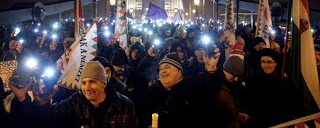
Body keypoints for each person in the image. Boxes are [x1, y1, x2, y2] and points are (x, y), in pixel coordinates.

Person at [9, 61, 138, 128]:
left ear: (103, 84)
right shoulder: (76, 102)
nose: (87, 88)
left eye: (92, 82)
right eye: (84, 83)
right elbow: (45, 120)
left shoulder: (124, 105)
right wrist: (22, 99)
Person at [140, 47, 221, 128]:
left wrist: (211, 70)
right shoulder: (154, 92)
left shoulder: (193, 87)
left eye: (167, 67)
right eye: (160, 69)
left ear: (179, 71)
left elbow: (211, 89)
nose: (163, 71)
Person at [244, 48, 304, 127]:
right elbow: (249, 102)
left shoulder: (285, 82)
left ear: (275, 63)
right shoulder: (253, 80)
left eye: (269, 62)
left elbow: (293, 104)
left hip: (281, 123)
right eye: (263, 62)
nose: (266, 65)